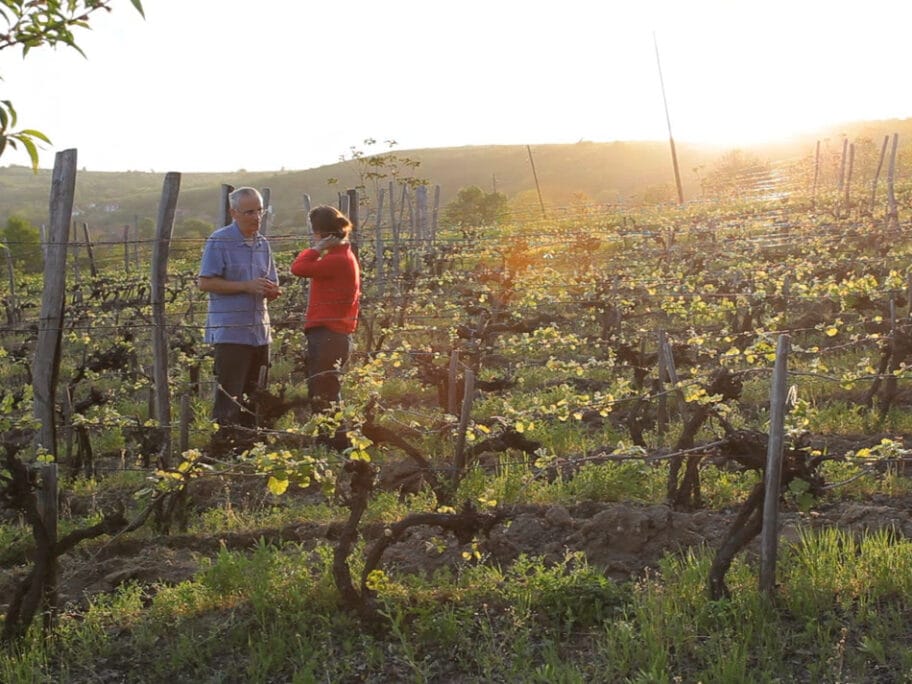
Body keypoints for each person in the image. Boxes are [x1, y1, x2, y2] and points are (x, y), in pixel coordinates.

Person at [198, 186, 281, 430]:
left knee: (255, 399)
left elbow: (271, 284)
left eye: (260, 211)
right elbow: (205, 282)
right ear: (233, 213)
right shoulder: (219, 241)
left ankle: (250, 445)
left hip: (260, 333)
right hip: (232, 333)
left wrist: (272, 291)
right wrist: (245, 286)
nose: (257, 217)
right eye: (249, 212)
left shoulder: (262, 244)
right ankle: (224, 444)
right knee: (229, 401)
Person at [290, 205, 361, 414]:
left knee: (324, 395)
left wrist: (317, 248)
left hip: (328, 335)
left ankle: (335, 434)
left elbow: (298, 268)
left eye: (314, 233)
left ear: (320, 233)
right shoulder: (343, 256)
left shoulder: (337, 260)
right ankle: (332, 432)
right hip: (334, 334)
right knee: (326, 391)